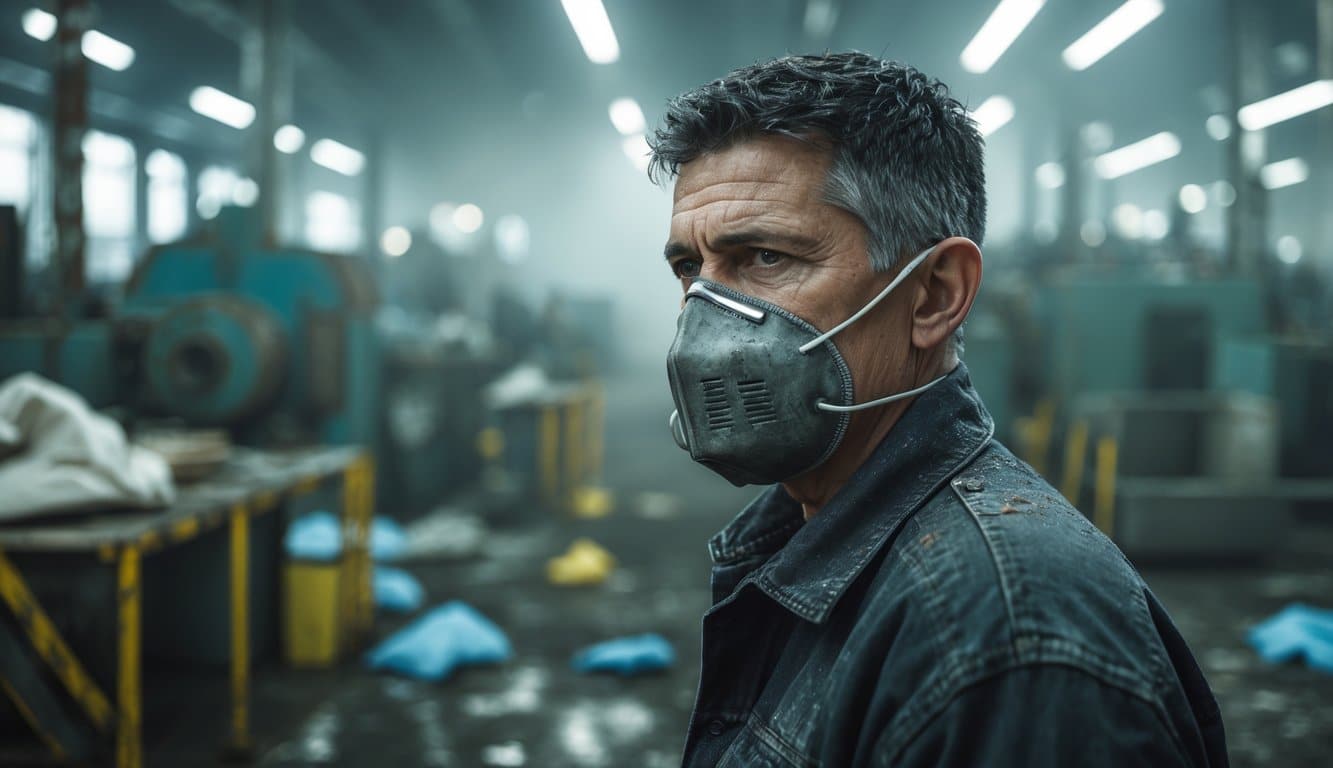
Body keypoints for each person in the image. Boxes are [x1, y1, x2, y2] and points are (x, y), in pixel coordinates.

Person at [650, 52, 1227, 767]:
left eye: (765, 258)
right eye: (689, 270)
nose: (705, 323)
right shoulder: (818, 533)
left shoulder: (1010, 649)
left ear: (932, 296)